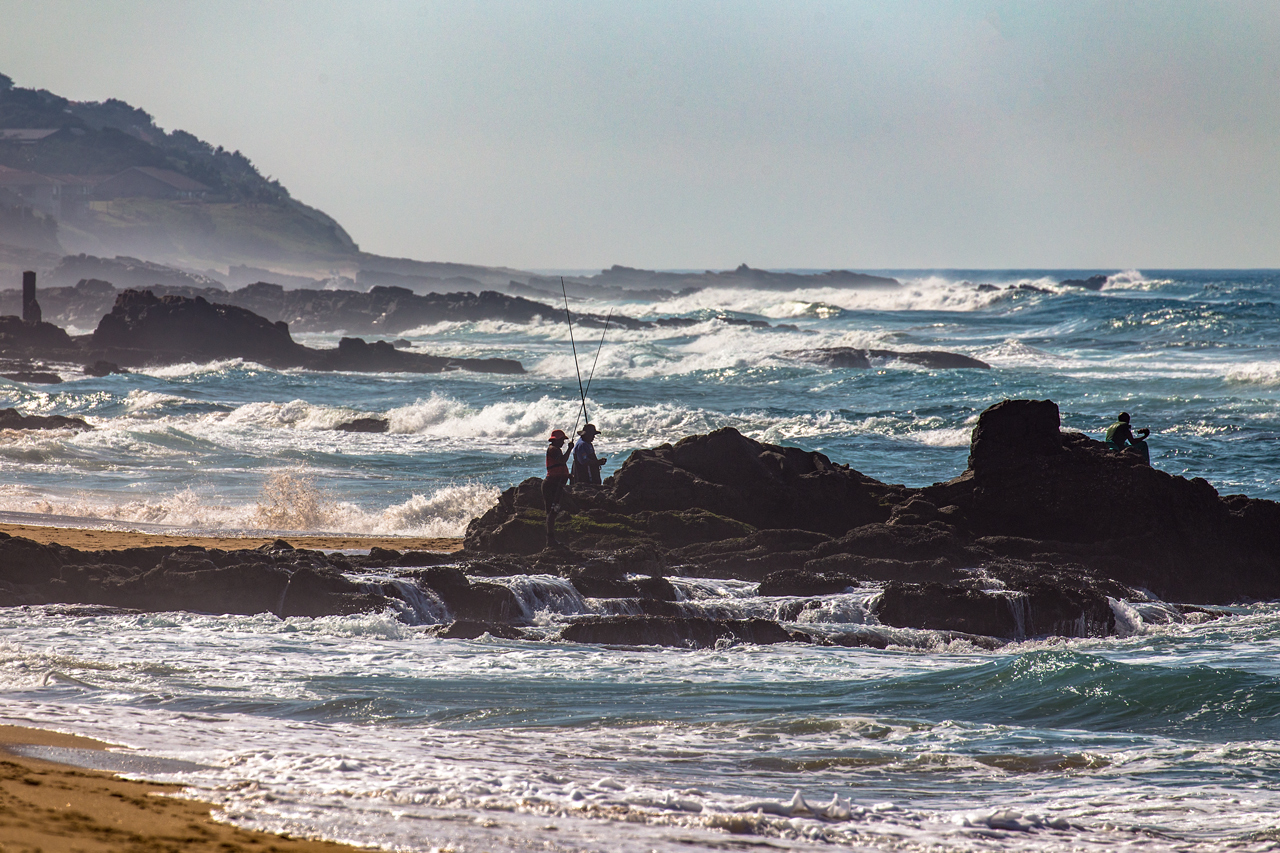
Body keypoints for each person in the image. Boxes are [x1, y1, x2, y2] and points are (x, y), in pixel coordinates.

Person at [543, 428, 573, 547]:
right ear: (557, 440)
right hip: (551, 485)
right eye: (562, 440)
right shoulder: (553, 450)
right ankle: (550, 539)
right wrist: (570, 449)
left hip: (556, 484)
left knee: (554, 511)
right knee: (552, 512)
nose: (563, 443)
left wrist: (567, 475)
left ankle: (551, 538)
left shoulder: (555, 449)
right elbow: (562, 460)